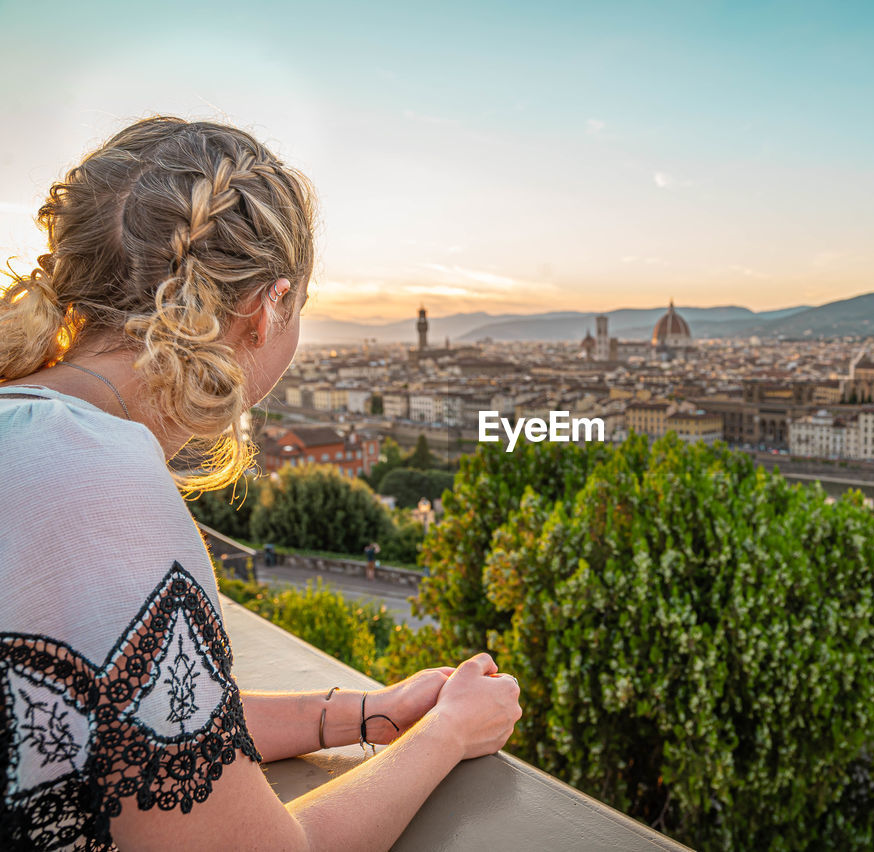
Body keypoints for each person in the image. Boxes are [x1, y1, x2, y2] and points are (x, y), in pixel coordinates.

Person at [0, 116, 522, 851]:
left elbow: (152, 722)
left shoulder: (30, 432)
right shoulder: (102, 487)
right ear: (266, 308)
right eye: (299, 308)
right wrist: (447, 733)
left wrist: (365, 711)